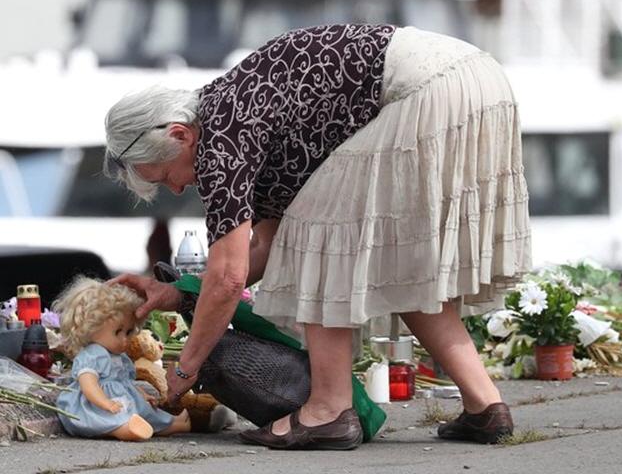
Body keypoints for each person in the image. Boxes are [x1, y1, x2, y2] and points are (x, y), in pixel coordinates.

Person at [104, 24, 531, 450]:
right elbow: (266, 248)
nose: (177, 190)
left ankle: (327, 410)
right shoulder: (236, 116)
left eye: (165, 177)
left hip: (428, 89)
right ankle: (485, 408)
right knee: (393, 267)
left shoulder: (219, 139)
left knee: (318, 237)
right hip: (473, 77)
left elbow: (230, 276)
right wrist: (178, 293)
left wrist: (184, 371)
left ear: (179, 134)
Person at [54, 277, 191, 440]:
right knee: (111, 418)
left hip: (122, 400)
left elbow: (126, 382)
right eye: (118, 332)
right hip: (96, 405)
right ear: (90, 329)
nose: (125, 339)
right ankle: (127, 430)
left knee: (147, 411)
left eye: (128, 332)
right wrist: (105, 403)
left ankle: (173, 424)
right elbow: (88, 385)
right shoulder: (92, 355)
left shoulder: (120, 357)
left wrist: (142, 395)